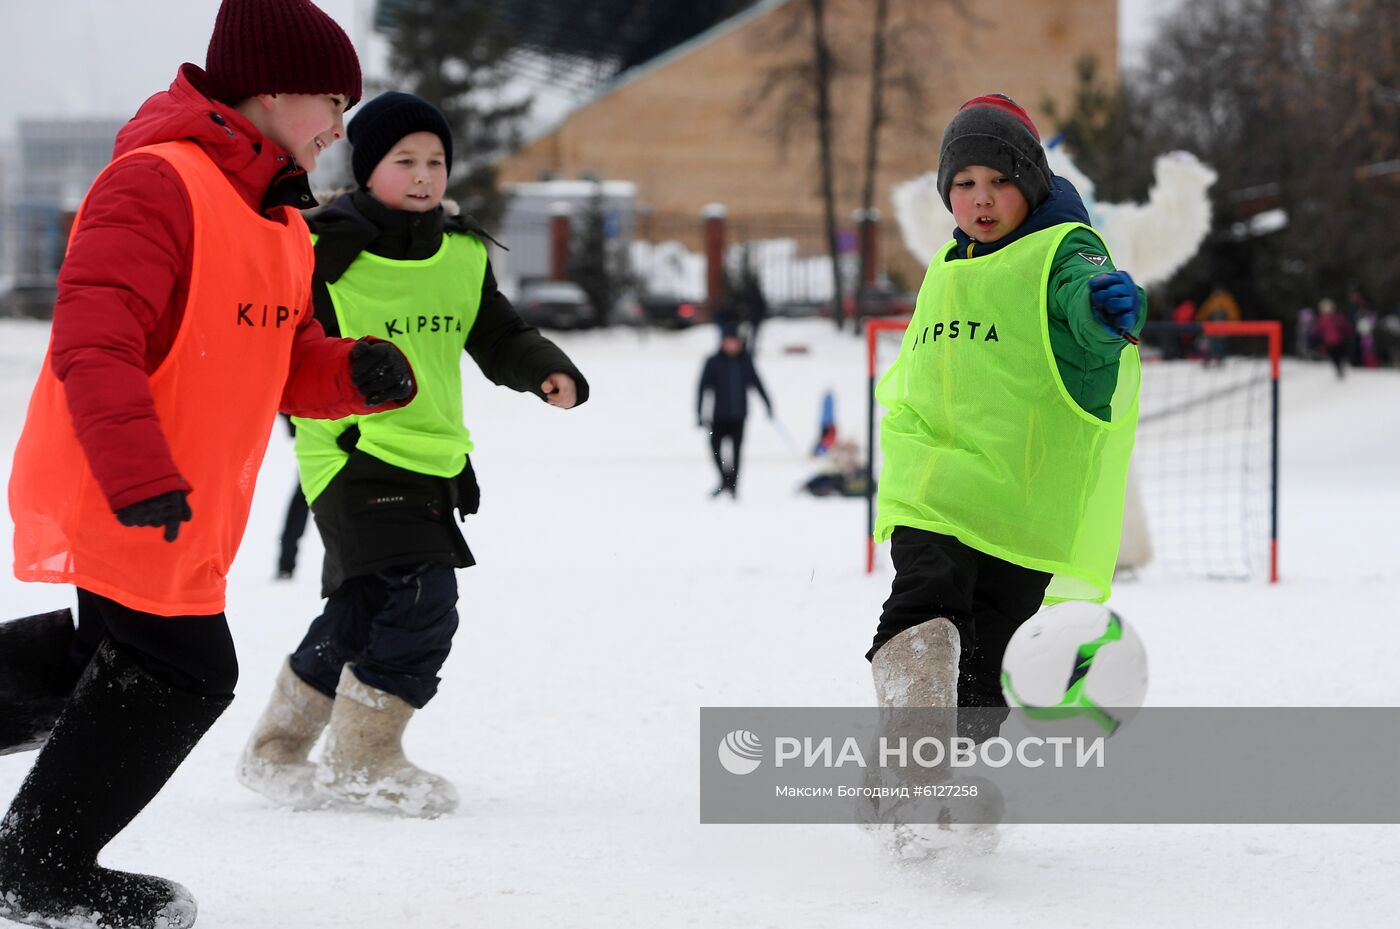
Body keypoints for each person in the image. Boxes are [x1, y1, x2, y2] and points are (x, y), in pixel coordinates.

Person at [0, 3, 417, 927]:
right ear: (268, 92)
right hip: (126, 477)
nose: (339, 127)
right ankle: (40, 866)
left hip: (175, 494)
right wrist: (136, 469)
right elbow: (94, 341)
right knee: (182, 668)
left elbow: (285, 356)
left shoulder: (275, 220)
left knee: (103, 658)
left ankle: (37, 859)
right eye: (331, 102)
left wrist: (354, 371)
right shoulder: (156, 183)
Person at [235, 92, 589, 818]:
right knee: (424, 594)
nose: (425, 174)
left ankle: (275, 748)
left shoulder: (461, 253)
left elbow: (496, 332)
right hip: (348, 448)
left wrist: (545, 367)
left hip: (432, 453)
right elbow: (272, 333)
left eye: (436, 161)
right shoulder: (321, 247)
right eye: (407, 161)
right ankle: (363, 755)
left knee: (365, 606)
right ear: (368, 169)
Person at [868, 94, 1143, 856]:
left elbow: (1086, 315)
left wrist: (1104, 311)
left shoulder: (1065, 251)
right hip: (935, 484)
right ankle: (913, 772)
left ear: (1029, 181)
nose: (981, 199)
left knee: (989, 667)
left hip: (1020, 503)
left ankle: (935, 786)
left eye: (998, 180)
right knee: (925, 606)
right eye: (963, 183)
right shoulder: (948, 264)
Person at [696, 322, 773, 498]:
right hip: (719, 415)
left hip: (739, 415)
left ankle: (733, 487)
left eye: (735, 342)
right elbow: (702, 388)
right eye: (729, 341)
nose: (732, 345)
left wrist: (768, 404)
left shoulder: (745, 361)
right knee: (715, 448)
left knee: (737, 452)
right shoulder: (714, 362)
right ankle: (725, 479)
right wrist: (700, 412)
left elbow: (757, 383)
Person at [276, 414, 311, 579]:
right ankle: (285, 565)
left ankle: (286, 565)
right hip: (317, 446)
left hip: (317, 442)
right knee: (300, 503)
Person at [1315, 297, 1352, 379]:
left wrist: (1347, 335)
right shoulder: (1321, 320)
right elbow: (1318, 331)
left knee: (1340, 355)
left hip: (1339, 341)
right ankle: (1338, 369)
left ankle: (1341, 367)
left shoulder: (1337, 317)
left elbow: (1345, 326)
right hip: (1329, 342)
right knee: (1334, 357)